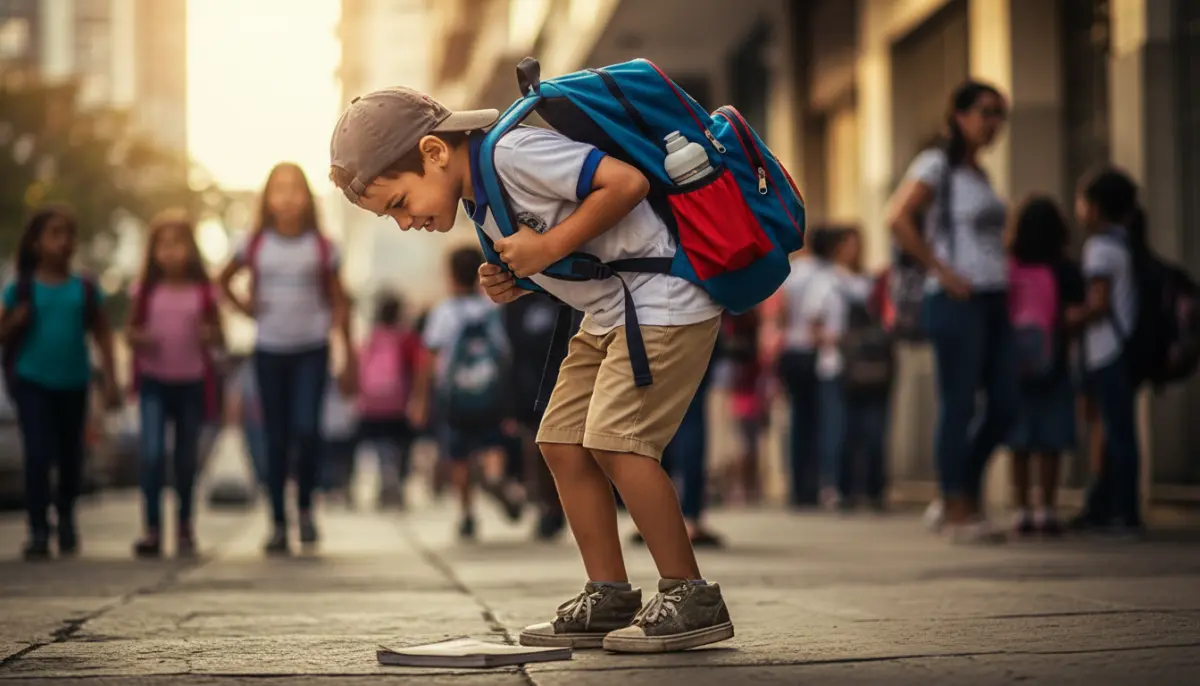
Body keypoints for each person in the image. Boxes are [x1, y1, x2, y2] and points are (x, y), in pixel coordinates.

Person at [329, 88, 732, 653]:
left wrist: (546, 249)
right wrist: (517, 281)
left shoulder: (513, 154)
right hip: (609, 311)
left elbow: (626, 185)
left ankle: (692, 595)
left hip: (664, 298)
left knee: (619, 442)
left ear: (434, 153)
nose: (402, 221)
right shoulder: (478, 197)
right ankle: (610, 594)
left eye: (398, 202)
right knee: (561, 441)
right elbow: (566, 246)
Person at [887, 80, 1015, 543]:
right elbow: (897, 217)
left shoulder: (979, 174)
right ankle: (957, 506)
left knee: (1007, 403)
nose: (993, 123)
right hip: (956, 299)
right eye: (985, 112)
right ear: (959, 116)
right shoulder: (935, 163)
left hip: (995, 297)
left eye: (1000, 114)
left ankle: (958, 490)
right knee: (959, 403)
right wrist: (942, 271)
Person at [217, 162, 356, 555]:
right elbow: (222, 279)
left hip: (312, 348)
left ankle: (306, 509)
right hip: (269, 350)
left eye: (295, 189)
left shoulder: (322, 246)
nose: (288, 197)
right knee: (275, 437)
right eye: (279, 189)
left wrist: (347, 355)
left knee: (307, 430)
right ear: (267, 198)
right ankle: (278, 521)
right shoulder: (254, 244)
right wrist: (245, 307)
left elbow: (340, 302)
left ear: (307, 198)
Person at [0, 207, 119, 560]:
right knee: (38, 453)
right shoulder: (21, 288)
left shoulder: (84, 288)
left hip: (73, 381)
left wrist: (111, 379)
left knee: (71, 455)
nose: (63, 241)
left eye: (68, 234)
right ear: (36, 242)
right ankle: (38, 528)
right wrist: (14, 322)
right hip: (31, 380)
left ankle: (65, 516)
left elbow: (103, 334)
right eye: (54, 233)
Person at [127, 209, 224, 557]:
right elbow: (130, 333)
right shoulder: (144, 291)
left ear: (191, 249)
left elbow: (219, 337)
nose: (170, 252)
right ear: (153, 251)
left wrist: (209, 334)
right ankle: (152, 528)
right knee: (152, 454)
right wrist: (140, 339)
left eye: (178, 244)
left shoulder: (204, 292)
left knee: (185, 459)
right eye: (163, 245)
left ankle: (184, 526)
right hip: (154, 382)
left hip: (192, 384)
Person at [411, 247, 515, 540]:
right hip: (490, 392)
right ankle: (495, 476)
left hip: (454, 395)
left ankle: (467, 513)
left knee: (459, 454)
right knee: (492, 442)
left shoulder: (443, 312)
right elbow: (505, 353)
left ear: (451, 275)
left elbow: (429, 358)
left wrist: (420, 399)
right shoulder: (492, 308)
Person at [1066, 168, 1144, 535]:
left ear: (1095, 207)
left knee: (1116, 432)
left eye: (1082, 201)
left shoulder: (1099, 247)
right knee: (1113, 431)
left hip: (1106, 350)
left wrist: (1067, 318)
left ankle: (1124, 511)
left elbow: (1098, 303)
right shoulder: (1125, 242)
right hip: (1120, 348)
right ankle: (1103, 504)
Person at [1005, 197, 1084, 536]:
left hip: (1013, 365)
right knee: (1050, 440)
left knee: (1019, 441)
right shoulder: (1064, 269)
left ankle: (1022, 509)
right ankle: (1047, 509)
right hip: (1055, 364)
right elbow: (1076, 313)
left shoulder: (1009, 267)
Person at [501, 292, 571, 540]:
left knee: (564, 450)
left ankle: (561, 506)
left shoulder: (567, 294)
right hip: (530, 387)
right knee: (538, 449)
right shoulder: (515, 301)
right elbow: (512, 352)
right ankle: (548, 508)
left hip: (565, 381)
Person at [356, 293, 421, 509]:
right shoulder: (406, 337)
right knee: (401, 445)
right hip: (398, 403)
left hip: (372, 402)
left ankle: (386, 481)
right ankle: (396, 485)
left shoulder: (371, 337)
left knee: (379, 445)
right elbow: (418, 368)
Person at [776, 249, 821, 507]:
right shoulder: (822, 272)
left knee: (796, 420)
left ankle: (797, 487)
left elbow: (781, 313)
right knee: (815, 421)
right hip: (812, 350)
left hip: (791, 348)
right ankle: (812, 486)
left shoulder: (791, 272)